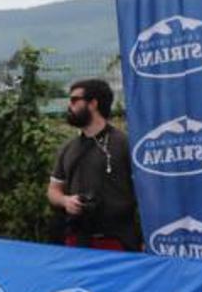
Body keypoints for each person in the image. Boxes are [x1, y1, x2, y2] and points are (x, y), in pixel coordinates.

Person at [46, 78, 140, 252]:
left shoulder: (125, 144)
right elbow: (53, 191)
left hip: (118, 240)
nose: (69, 105)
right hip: (77, 240)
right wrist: (66, 201)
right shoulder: (68, 148)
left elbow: (144, 193)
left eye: (74, 100)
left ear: (93, 103)